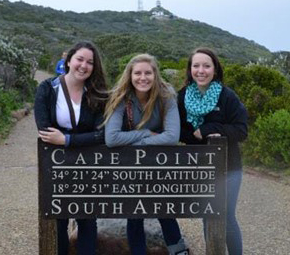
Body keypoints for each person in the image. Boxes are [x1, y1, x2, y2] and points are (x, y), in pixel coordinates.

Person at [103, 54, 189, 255]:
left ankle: (179, 251)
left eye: (148, 73)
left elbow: (171, 136)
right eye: (138, 73)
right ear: (130, 75)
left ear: (155, 74)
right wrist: (144, 134)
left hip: (157, 163)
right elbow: (111, 138)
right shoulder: (122, 97)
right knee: (135, 212)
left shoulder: (166, 95)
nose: (143, 78)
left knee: (164, 209)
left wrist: (137, 142)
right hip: (131, 165)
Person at [34, 41, 108, 255]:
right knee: (59, 222)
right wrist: (83, 138)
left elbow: (101, 134)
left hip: (88, 165)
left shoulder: (97, 94)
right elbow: (45, 131)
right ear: (68, 61)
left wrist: (66, 140)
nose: (84, 65)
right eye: (80, 59)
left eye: (90, 62)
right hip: (56, 165)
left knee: (87, 220)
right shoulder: (47, 89)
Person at [178, 48, 248, 255]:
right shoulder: (182, 96)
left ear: (215, 69)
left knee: (226, 216)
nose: (201, 70)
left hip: (229, 168)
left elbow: (241, 130)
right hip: (199, 168)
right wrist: (196, 136)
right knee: (207, 214)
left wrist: (209, 129)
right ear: (190, 69)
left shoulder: (227, 96)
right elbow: (180, 131)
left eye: (206, 66)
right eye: (196, 66)